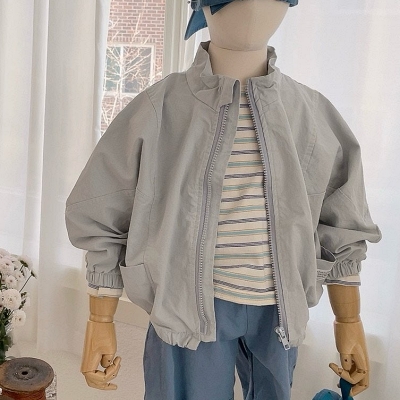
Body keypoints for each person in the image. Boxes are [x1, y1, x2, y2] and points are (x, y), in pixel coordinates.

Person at [65, 0, 382, 398]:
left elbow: (342, 222)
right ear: (204, 8)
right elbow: (103, 212)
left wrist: (349, 320)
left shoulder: (310, 112)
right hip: (186, 308)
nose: (253, 6)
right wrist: (99, 319)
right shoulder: (160, 107)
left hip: (279, 311)